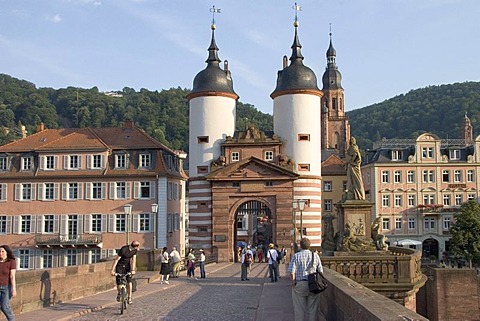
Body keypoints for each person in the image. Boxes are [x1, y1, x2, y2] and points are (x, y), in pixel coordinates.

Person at [288, 237, 324, 321]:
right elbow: (321, 271)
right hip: (313, 284)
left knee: (299, 309)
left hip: (300, 283)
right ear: (309, 246)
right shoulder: (315, 256)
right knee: (313, 309)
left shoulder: (296, 256)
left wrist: (293, 283)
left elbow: (292, 272)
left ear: (300, 246)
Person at [110, 241, 139, 305]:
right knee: (118, 283)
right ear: (135, 246)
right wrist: (112, 270)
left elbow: (134, 260)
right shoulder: (123, 250)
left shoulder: (134, 251)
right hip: (120, 266)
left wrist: (133, 270)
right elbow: (116, 260)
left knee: (129, 281)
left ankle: (129, 297)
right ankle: (119, 292)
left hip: (127, 266)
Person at [345, 136, 365, 200]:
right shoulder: (352, 148)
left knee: (356, 180)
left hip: (354, 166)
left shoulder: (354, 148)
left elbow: (357, 156)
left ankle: (358, 194)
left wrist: (352, 161)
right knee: (351, 179)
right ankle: (351, 190)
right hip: (351, 166)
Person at [0, 245, 16, 321]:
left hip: (6, 287)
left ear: (7, 252)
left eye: (3, 251)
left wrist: (13, 289)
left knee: (4, 306)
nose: (1, 253)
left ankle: (11, 319)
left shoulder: (11, 261)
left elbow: (12, 276)